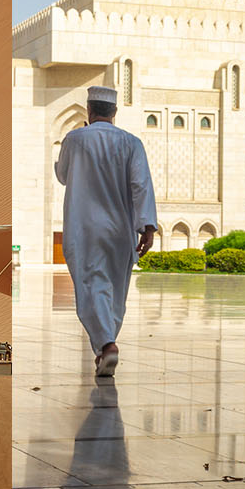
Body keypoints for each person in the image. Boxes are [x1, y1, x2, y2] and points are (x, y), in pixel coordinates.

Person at [54, 85, 158, 377]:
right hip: (120, 229)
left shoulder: (74, 139)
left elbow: (63, 175)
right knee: (114, 291)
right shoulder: (131, 142)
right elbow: (141, 185)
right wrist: (147, 226)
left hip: (84, 228)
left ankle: (107, 345)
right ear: (114, 113)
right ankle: (104, 351)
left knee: (91, 287)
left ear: (89, 110)